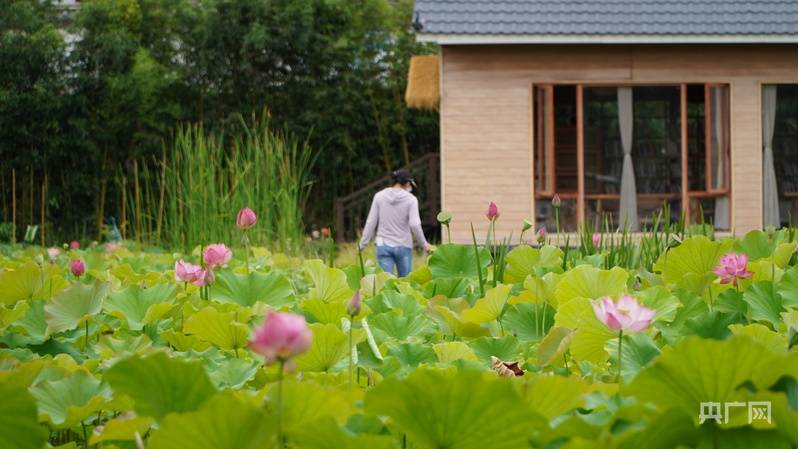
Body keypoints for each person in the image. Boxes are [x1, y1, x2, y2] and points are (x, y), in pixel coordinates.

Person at [359, 169, 431, 277]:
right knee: (405, 282)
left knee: (385, 282)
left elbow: (371, 222)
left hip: (383, 244)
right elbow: (414, 224)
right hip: (404, 245)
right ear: (407, 183)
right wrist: (424, 244)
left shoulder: (379, 196)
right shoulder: (411, 200)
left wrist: (362, 244)